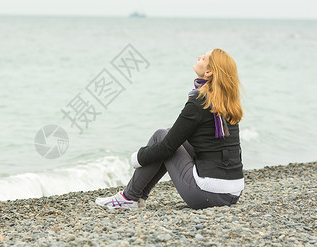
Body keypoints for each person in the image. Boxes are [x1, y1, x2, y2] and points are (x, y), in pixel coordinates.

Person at [96, 48, 244, 210]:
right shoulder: (227, 102)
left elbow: (167, 147)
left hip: (207, 195)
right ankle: (137, 197)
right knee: (169, 134)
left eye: (203, 58)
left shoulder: (200, 101)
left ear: (208, 72)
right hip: (233, 192)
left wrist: (138, 158)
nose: (198, 56)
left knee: (161, 136)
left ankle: (129, 197)